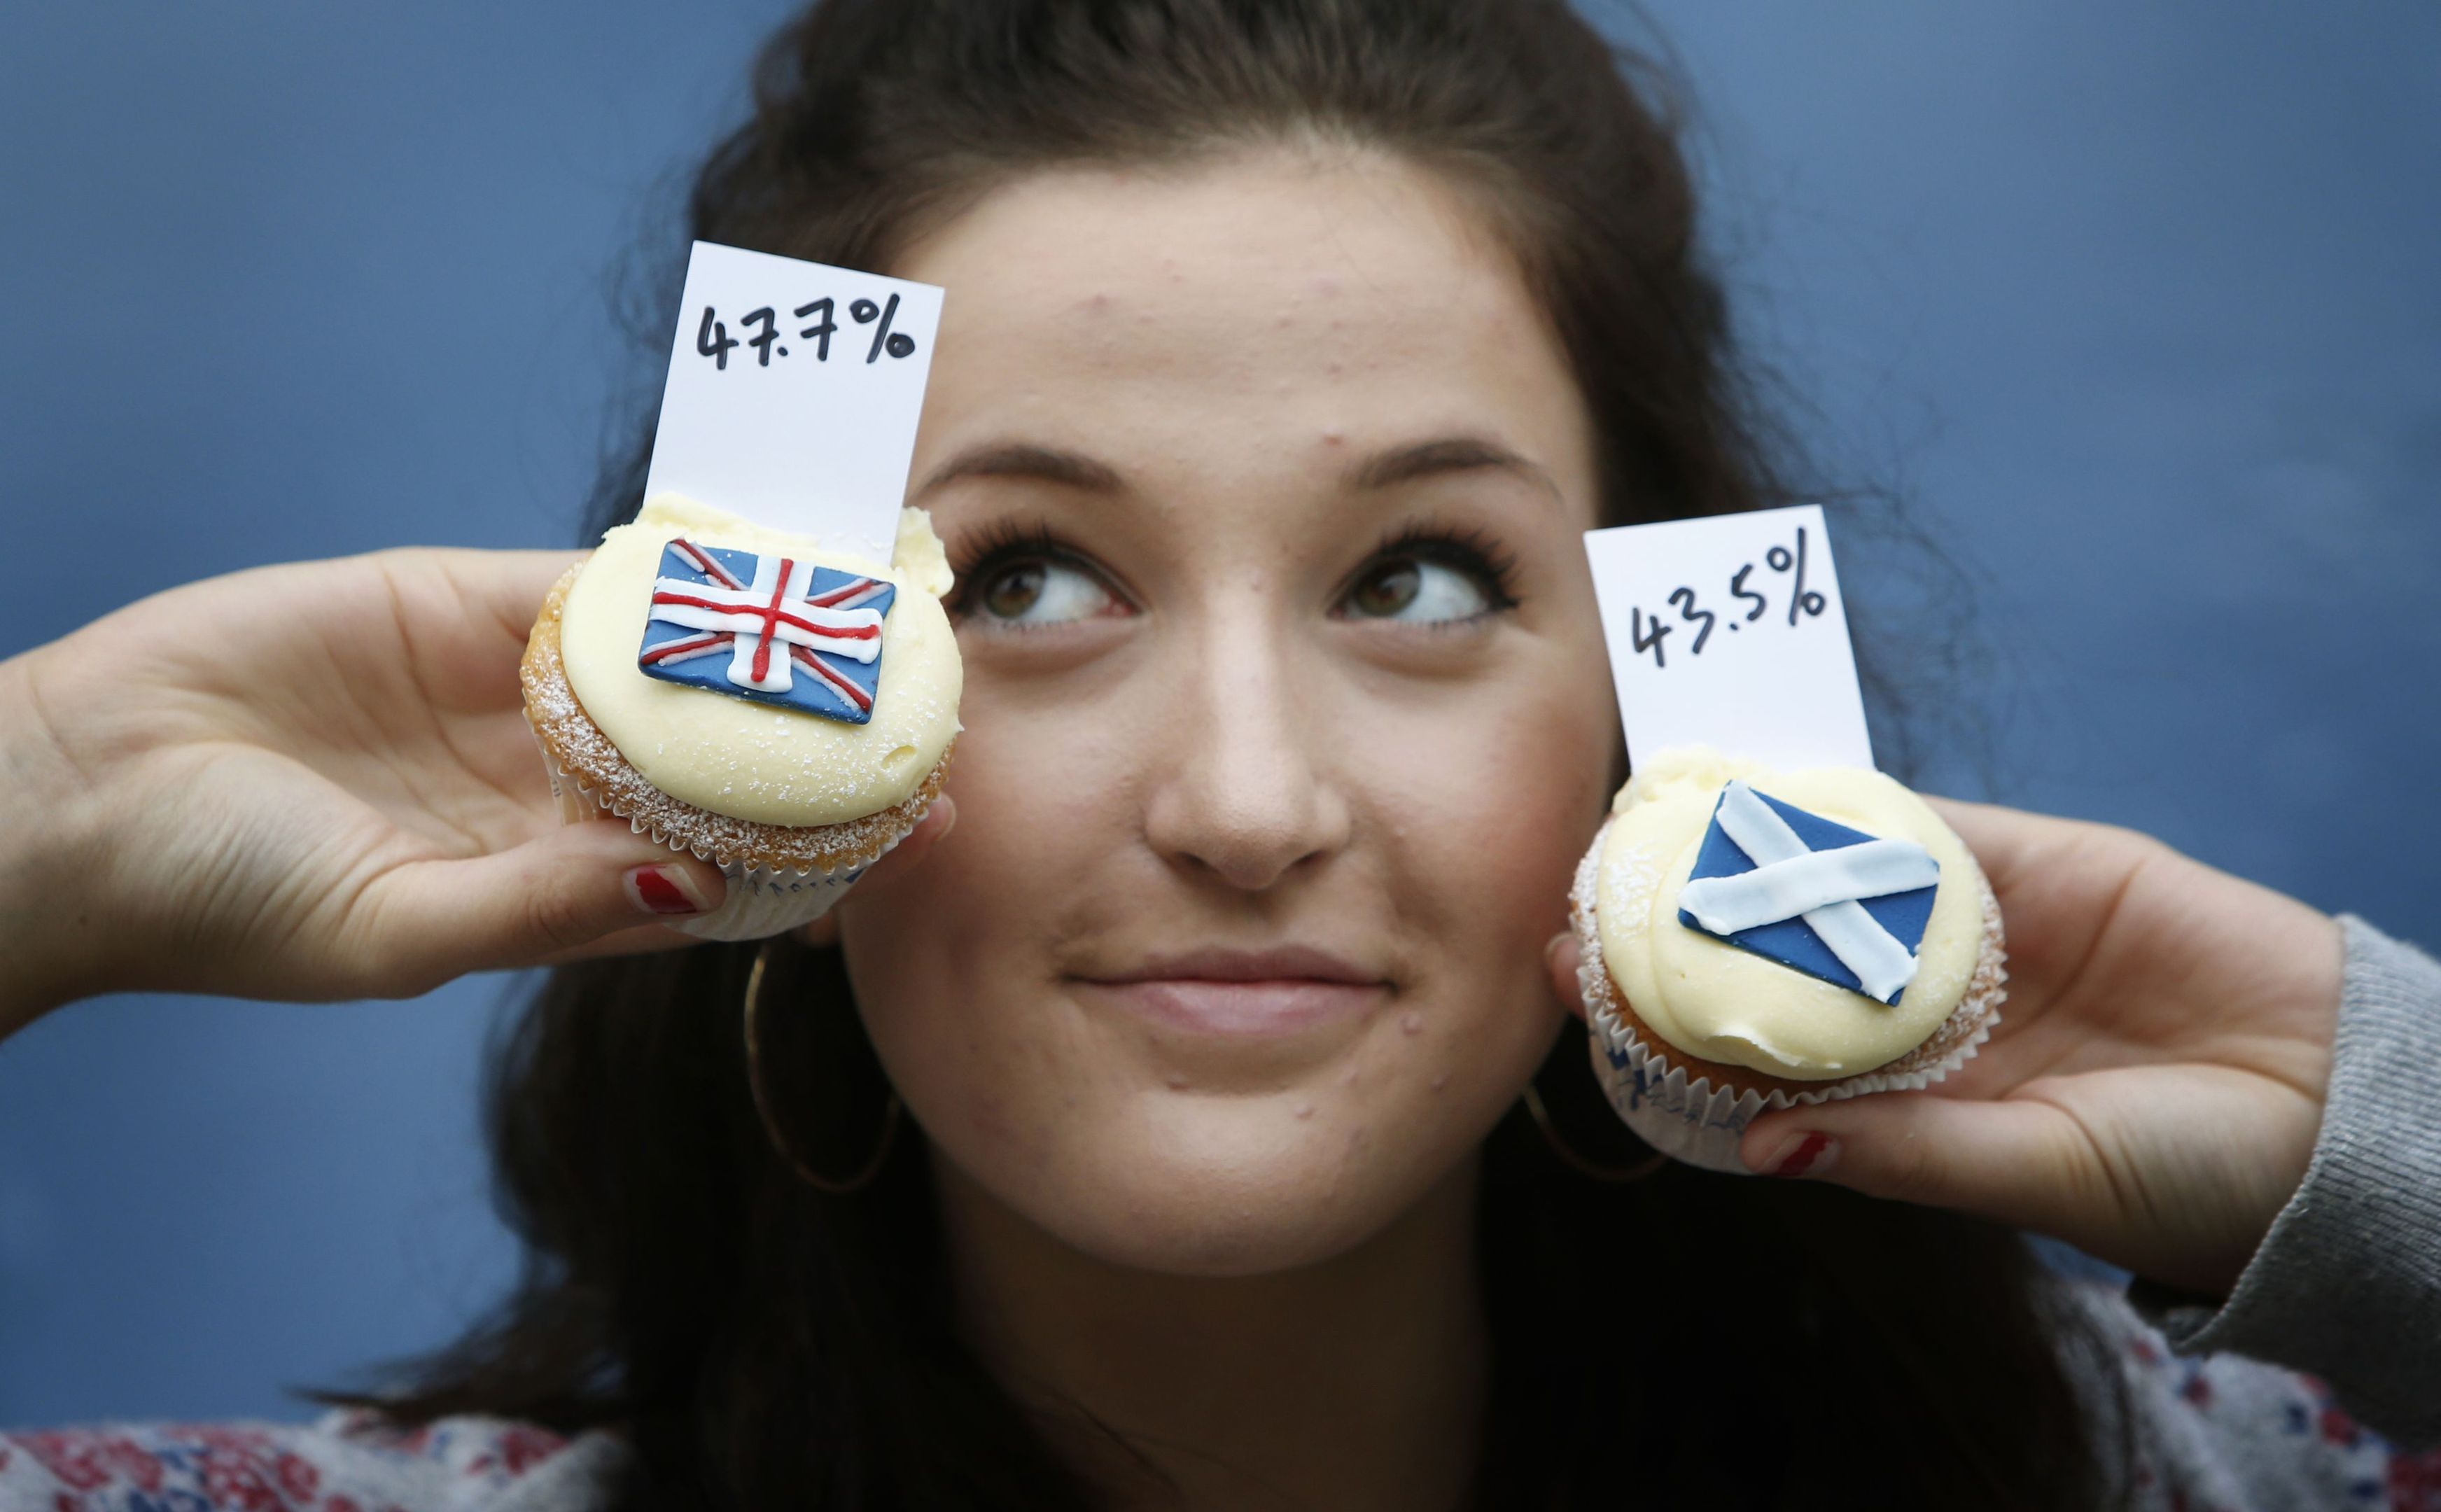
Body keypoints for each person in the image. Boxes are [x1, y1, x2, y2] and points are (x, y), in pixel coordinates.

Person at [2, 1, 2435, 1508]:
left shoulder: (2205, 1483)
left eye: (1420, 582)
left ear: (1647, 726)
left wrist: (2391, 1140)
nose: (1251, 804)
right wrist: (49, 820)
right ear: (761, 749)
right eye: (1028, 581)